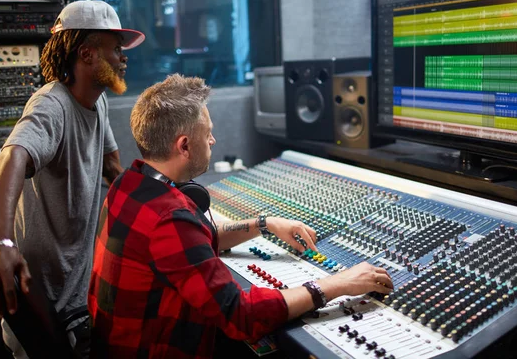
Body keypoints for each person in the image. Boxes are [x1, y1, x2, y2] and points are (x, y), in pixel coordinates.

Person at [88, 74, 394, 358]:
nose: (213, 141)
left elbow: (195, 240)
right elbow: (242, 317)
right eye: (207, 134)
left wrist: (264, 224)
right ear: (184, 145)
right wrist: (336, 284)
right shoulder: (170, 219)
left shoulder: (129, 183)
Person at [0, 0, 145, 357]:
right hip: (46, 307)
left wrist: (156, 207)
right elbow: (11, 156)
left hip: (76, 293)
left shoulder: (96, 100)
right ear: (87, 54)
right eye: (115, 49)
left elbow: (111, 167)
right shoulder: (52, 104)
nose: (123, 58)